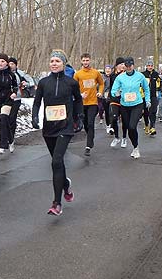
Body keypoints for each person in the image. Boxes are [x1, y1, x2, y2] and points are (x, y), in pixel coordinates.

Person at [32, 49, 83, 216]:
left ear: (63, 64)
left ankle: (57, 203)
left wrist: (79, 117)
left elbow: (78, 101)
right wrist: (34, 116)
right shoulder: (44, 82)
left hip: (65, 127)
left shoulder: (71, 83)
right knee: (58, 163)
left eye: (57, 61)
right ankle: (66, 186)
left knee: (56, 161)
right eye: (52, 61)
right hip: (49, 128)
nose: (54, 63)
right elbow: (37, 102)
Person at [111, 57, 150, 159]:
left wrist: (148, 100)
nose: (128, 68)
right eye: (126, 66)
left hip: (137, 104)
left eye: (130, 66)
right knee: (129, 127)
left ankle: (136, 148)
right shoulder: (120, 77)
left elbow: (146, 89)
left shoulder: (140, 76)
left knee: (132, 126)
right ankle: (135, 146)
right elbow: (113, 90)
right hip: (124, 105)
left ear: (133, 65)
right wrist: (116, 93)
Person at [73, 53, 104, 156]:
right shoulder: (78, 74)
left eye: (87, 60)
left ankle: (88, 145)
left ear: (90, 61)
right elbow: (74, 87)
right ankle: (90, 137)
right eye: (84, 60)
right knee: (86, 124)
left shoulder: (95, 73)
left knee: (90, 123)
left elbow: (102, 83)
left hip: (93, 102)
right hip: (82, 103)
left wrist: (100, 92)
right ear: (81, 61)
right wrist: (79, 95)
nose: (85, 62)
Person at [8, 57, 35, 146]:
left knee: (12, 117)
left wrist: (25, 84)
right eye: (9, 64)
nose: (10, 66)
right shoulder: (4, 73)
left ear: (16, 65)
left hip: (17, 99)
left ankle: (11, 136)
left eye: (12, 64)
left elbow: (31, 82)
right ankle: (7, 136)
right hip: (6, 99)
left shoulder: (20, 73)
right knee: (5, 119)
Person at [109, 57, 128, 148]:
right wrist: (110, 97)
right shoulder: (113, 75)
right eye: (121, 64)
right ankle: (116, 137)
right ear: (117, 65)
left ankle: (124, 138)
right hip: (114, 100)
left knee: (125, 121)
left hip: (124, 100)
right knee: (114, 118)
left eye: (124, 64)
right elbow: (111, 87)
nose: (123, 66)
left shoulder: (127, 75)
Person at [142, 60, 162, 136]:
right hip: (144, 96)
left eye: (151, 66)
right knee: (146, 112)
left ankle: (152, 127)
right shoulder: (143, 74)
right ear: (146, 66)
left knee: (153, 111)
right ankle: (146, 124)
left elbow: (160, 84)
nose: (150, 67)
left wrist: (160, 87)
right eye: (148, 66)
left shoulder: (156, 74)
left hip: (153, 96)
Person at [102, 65, 112, 131]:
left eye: (109, 69)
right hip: (104, 96)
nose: (108, 70)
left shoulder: (113, 77)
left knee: (112, 111)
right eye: (106, 69)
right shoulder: (102, 77)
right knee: (107, 111)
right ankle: (108, 125)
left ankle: (112, 124)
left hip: (112, 96)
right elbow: (98, 86)